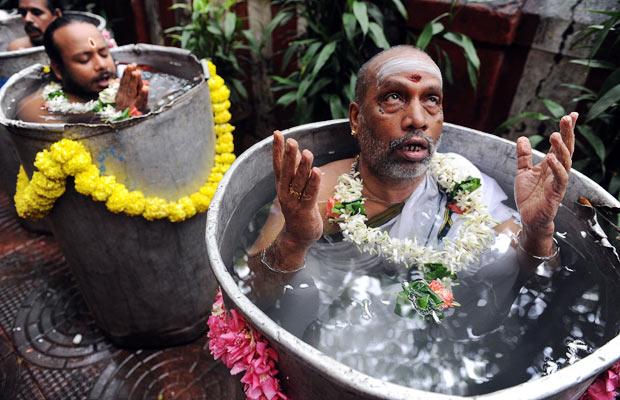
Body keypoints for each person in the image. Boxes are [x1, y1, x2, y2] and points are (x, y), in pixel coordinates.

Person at [245, 45, 577, 330]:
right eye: (394, 97)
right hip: (343, 339)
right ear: (357, 119)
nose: (417, 118)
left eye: (431, 99)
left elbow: (539, 280)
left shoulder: (463, 182)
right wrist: (294, 240)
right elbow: (255, 292)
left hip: (446, 341)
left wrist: (538, 229)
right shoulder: (317, 194)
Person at [17, 15, 148, 124]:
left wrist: (141, 110)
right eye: (84, 59)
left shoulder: (128, 86)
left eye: (104, 53)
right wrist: (121, 113)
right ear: (58, 69)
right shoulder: (38, 107)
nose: (101, 65)